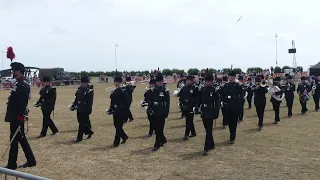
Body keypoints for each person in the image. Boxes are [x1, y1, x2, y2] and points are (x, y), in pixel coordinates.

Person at [4, 62, 36, 170]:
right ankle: (31, 160)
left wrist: (19, 116)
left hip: (18, 116)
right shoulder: (18, 83)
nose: (12, 72)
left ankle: (12, 164)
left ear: (18, 71)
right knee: (20, 138)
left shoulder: (23, 84)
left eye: (14, 70)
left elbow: (21, 103)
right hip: (14, 115)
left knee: (14, 139)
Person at [195, 74, 219, 155]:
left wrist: (216, 112)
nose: (208, 82)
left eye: (209, 81)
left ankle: (206, 148)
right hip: (204, 111)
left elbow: (217, 102)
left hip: (211, 111)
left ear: (212, 81)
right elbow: (199, 99)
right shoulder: (202, 89)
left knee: (208, 130)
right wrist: (197, 107)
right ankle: (211, 144)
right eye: (207, 81)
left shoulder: (214, 90)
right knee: (207, 129)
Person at [148, 73, 170, 151]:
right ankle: (163, 140)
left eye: (160, 81)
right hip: (154, 111)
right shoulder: (152, 90)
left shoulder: (165, 91)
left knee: (160, 128)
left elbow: (167, 103)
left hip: (161, 111)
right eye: (157, 81)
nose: (159, 83)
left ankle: (157, 144)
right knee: (156, 127)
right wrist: (149, 108)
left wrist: (167, 112)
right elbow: (150, 101)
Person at [220, 70, 242, 144]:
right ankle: (231, 134)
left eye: (232, 77)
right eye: (229, 77)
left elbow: (242, 94)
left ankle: (232, 137)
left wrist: (239, 104)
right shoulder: (226, 85)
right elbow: (222, 94)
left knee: (234, 122)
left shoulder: (237, 85)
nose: (230, 78)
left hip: (235, 105)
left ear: (234, 77)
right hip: (227, 106)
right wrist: (221, 102)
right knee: (229, 122)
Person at [70, 76, 94, 142]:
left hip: (85, 109)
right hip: (79, 108)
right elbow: (76, 99)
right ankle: (89, 131)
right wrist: (74, 105)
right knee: (81, 122)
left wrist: (88, 109)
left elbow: (90, 102)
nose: (83, 84)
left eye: (85, 83)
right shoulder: (79, 90)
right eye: (82, 83)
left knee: (81, 124)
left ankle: (79, 138)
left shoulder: (89, 91)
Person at [107, 77, 129, 147]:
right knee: (116, 125)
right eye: (116, 82)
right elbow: (112, 102)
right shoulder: (114, 91)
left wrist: (126, 114)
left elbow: (126, 104)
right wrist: (110, 109)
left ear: (120, 83)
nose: (116, 84)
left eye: (118, 82)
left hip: (121, 111)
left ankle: (116, 142)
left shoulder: (124, 91)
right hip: (115, 111)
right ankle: (124, 136)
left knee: (119, 127)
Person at [178, 75, 198, 140]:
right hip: (185, 106)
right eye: (187, 80)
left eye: (189, 80)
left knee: (188, 121)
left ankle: (186, 134)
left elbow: (197, 98)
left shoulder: (195, 88)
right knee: (189, 120)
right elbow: (180, 96)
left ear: (192, 81)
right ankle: (193, 132)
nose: (188, 81)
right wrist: (181, 104)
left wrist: (196, 106)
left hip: (191, 106)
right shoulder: (184, 88)